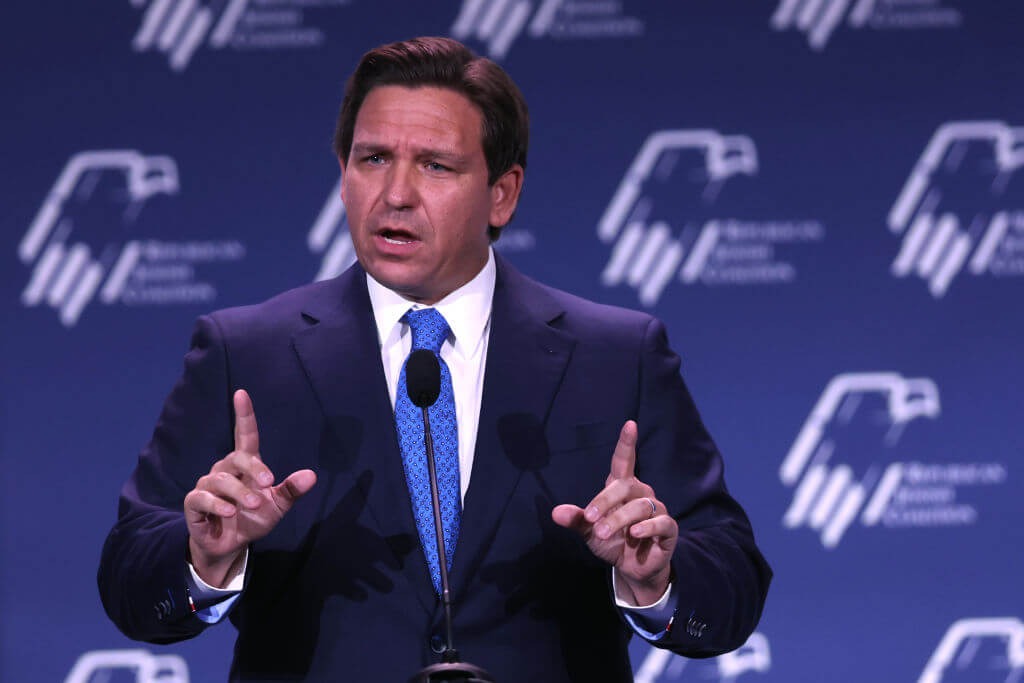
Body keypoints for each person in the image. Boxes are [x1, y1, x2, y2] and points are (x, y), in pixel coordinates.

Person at [98, 36, 771, 682]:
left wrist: (655, 577)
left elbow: (732, 576)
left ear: (502, 192)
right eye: (372, 159)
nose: (395, 193)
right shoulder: (244, 353)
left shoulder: (616, 356)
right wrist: (202, 560)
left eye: (435, 165)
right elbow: (129, 570)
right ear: (342, 175)